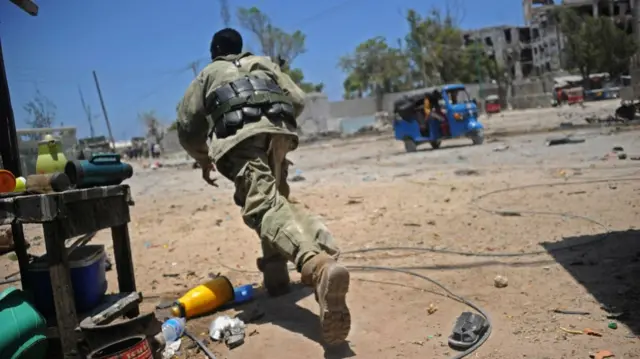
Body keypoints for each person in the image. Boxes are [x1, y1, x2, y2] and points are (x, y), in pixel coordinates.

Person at [176, 28, 351, 345]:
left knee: (263, 206)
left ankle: (317, 266)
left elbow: (188, 129)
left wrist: (204, 159)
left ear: (215, 52)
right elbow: (297, 100)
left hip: (240, 139)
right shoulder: (265, 63)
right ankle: (280, 277)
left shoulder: (207, 75)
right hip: (279, 132)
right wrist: (274, 121)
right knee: (277, 201)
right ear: (241, 49)